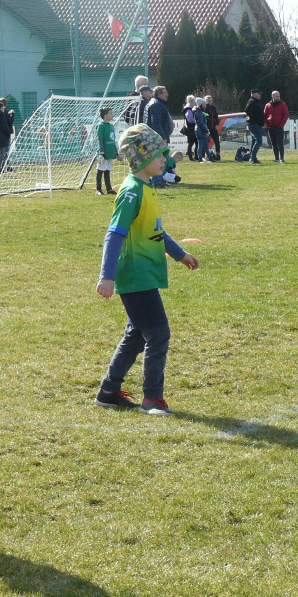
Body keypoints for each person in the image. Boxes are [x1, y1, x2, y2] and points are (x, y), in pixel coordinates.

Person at [94, 124, 200, 415]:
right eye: (160, 154)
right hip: (134, 275)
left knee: (138, 334)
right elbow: (114, 234)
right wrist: (107, 276)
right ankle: (152, 398)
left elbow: (157, 232)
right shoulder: (130, 192)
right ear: (141, 157)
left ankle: (109, 390)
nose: (165, 159)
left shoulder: (148, 187)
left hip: (145, 274)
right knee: (158, 334)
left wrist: (180, 255)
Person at [96, 106, 117, 195]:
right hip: (103, 152)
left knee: (108, 170)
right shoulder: (101, 126)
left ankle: (109, 189)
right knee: (100, 169)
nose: (112, 115)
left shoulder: (111, 126)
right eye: (110, 113)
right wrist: (101, 152)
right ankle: (98, 189)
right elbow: (100, 140)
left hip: (110, 152)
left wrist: (116, 151)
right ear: (105, 115)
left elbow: (113, 140)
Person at [264, 90, 289, 162]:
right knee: (273, 143)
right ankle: (276, 158)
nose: (278, 98)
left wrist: (281, 125)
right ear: (272, 97)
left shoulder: (282, 104)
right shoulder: (268, 105)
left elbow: (285, 115)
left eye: (279, 96)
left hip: (279, 127)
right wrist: (267, 125)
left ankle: (282, 158)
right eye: (276, 96)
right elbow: (265, 116)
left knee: (280, 143)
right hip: (271, 127)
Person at [243, 89, 264, 164]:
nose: (260, 95)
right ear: (254, 94)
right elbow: (247, 111)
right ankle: (252, 157)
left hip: (256, 124)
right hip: (254, 124)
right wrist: (252, 118)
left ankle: (252, 157)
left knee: (254, 141)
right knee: (259, 140)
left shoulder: (254, 102)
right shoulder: (252, 102)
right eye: (259, 94)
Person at [204, 95, 221, 160]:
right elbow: (207, 116)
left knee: (217, 142)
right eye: (209, 101)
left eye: (211, 100)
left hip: (214, 128)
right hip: (207, 128)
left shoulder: (214, 108)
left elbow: (216, 117)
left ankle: (218, 155)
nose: (210, 102)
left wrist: (216, 124)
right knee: (206, 143)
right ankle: (207, 156)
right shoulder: (205, 108)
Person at [193, 96, 210, 162]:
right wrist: (206, 130)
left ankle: (209, 156)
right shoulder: (199, 112)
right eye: (203, 104)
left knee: (205, 145)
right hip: (201, 131)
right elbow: (201, 123)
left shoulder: (199, 112)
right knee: (201, 145)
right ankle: (200, 158)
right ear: (200, 104)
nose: (205, 105)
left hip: (201, 130)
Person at [182, 95, 197, 160]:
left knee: (192, 143)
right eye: (194, 102)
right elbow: (190, 119)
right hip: (191, 128)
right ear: (191, 102)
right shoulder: (188, 109)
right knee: (192, 143)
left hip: (190, 128)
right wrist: (196, 120)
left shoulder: (188, 109)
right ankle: (191, 157)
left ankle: (195, 156)